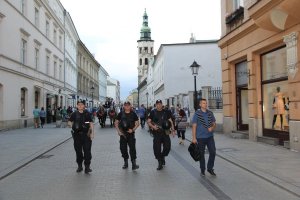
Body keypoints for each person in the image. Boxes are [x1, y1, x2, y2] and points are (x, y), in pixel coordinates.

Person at [147, 99, 175, 170]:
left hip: (166, 132)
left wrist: (173, 130)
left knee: (167, 147)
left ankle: (162, 156)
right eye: (157, 104)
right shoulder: (153, 112)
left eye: (160, 104)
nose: (159, 105)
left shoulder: (166, 112)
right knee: (157, 148)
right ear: (156, 105)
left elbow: (170, 121)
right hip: (157, 133)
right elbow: (149, 121)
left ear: (162, 104)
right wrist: (153, 126)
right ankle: (159, 162)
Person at [68, 100, 94, 174]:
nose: (80, 106)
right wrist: (70, 124)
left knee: (87, 151)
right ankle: (79, 166)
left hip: (86, 135)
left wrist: (92, 134)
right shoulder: (74, 114)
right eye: (78, 104)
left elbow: (91, 123)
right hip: (77, 135)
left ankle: (87, 167)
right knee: (78, 151)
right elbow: (70, 121)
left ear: (84, 106)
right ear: (77, 106)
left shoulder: (87, 114)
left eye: (81, 104)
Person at [192, 98, 217, 177]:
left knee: (213, 152)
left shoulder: (210, 113)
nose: (205, 104)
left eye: (206, 103)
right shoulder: (197, 114)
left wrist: (212, 128)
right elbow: (194, 126)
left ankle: (210, 168)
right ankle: (202, 169)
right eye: (203, 103)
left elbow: (214, 123)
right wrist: (194, 138)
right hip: (200, 138)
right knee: (201, 154)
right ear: (200, 105)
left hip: (210, 137)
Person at [115, 101, 140, 170]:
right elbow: (116, 123)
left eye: (128, 105)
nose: (127, 107)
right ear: (124, 106)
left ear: (130, 106)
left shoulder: (133, 114)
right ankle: (125, 162)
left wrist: (133, 129)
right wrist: (118, 131)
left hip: (131, 134)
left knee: (132, 149)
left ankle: (134, 164)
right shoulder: (121, 114)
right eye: (125, 105)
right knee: (123, 149)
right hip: (123, 134)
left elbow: (137, 123)